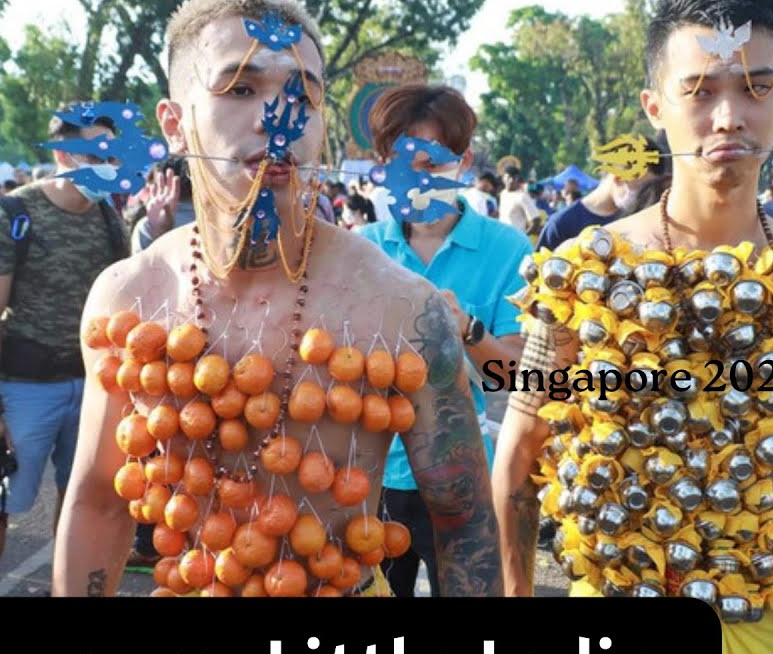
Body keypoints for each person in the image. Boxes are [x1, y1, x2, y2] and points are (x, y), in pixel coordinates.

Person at [491, 0, 773, 654]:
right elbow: (519, 453)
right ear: (654, 105)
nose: (730, 115)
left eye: (756, 86)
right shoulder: (583, 268)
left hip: (756, 640)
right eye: (700, 90)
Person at [52, 0, 502, 599]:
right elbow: (97, 504)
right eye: (240, 87)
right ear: (174, 123)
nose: (280, 116)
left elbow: (465, 523)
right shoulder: (128, 298)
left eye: (305, 95)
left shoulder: (401, 308)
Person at [356, 83, 531, 597]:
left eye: (432, 165)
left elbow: (517, 375)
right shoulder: (361, 252)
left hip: (466, 474)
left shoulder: (507, 248)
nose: (417, 180)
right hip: (372, 475)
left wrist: (468, 329)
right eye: (401, 163)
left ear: (465, 162)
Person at [0, 106, 131, 597]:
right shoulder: (11, 217)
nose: (110, 164)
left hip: (91, 388)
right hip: (25, 388)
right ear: (63, 153)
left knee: (78, 500)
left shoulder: (109, 220)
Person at [537, 138, 666, 252]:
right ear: (618, 178)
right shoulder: (562, 225)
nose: (648, 196)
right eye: (643, 188)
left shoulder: (644, 222)